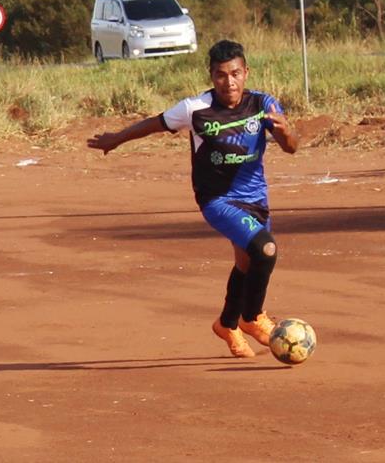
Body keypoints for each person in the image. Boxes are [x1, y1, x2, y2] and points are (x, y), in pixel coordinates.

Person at [87, 40, 299, 358]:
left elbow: (291, 146)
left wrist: (284, 130)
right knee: (265, 250)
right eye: (220, 75)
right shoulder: (196, 109)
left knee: (246, 262)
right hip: (217, 200)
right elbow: (154, 124)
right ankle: (252, 318)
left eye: (235, 74)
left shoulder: (263, 104)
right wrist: (116, 139)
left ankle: (226, 324)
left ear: (246, 73)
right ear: (211, 76)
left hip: (256, 198)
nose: (229, 82)